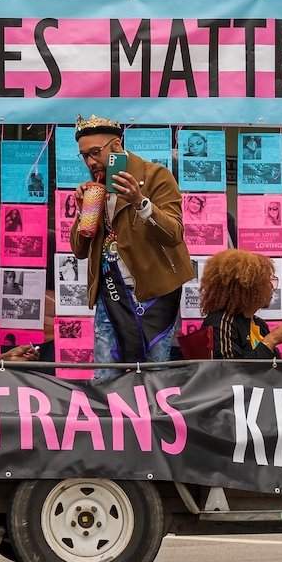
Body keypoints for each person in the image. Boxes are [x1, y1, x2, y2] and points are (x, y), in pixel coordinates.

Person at [71, 115, 192, 382]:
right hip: (111, 293)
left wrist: (140, 202)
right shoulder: (96, 187)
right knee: (104, 376)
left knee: (153, 376)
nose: (90, 162)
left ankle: (151, 424)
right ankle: (107, 422)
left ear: (115, 147)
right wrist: (84, 212)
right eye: (84, 156)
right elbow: (79, 250)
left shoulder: (155, 175)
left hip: (155, 292)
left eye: (95, 153)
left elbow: (174, 234)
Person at [199, 250, 282, 360]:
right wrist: (271, 340)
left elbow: (276, 373)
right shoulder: (221, 323)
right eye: (266, 282)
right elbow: (232, 371)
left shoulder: (259, 324)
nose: (272, 287)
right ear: (246, 287)